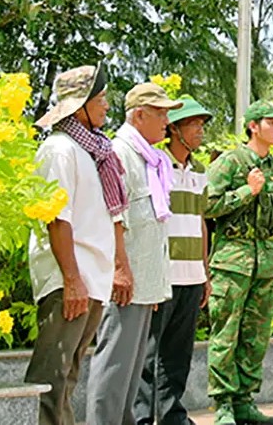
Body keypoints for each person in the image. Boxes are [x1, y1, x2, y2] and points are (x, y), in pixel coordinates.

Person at [24, 65, 129, 425]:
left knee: (68, 376)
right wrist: (72, 279)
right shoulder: (59, 149)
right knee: (51, 378)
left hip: (90, 281)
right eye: (100, 100)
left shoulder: (93, 152)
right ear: (80, 105)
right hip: (69, 280)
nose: (106, 107)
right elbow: (57, 219)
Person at [87, 82, 182, 425]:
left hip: (142, 280)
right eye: (160, 113)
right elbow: (113, 220)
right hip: (125, 281)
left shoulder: (150, 159)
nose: (167, 122)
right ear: (139, 115)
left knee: (129, 369)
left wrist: (153, 282)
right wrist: (120, 270)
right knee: (114, 364)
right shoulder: (120, 154)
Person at [203, 101, 273, 425]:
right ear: (253, 125)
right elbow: (206, 205)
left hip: (266, 264)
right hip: (232, 262)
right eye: (272, 122)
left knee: (255, 339)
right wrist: (247, 191)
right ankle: (223, 405)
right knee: (226, 335)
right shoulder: (231, 161)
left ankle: (244, 402)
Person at [135, 97, 214, 425]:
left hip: (192, 276)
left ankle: (171, 415)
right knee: (148, 354)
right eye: (193, 123)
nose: (200, 130)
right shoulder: (155, 163)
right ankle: (141, 418)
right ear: (174, 129)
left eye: (201, 124)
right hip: (162, 276)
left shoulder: (199, 170)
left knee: (178, 355)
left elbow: (201, 222)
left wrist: (205, 273)